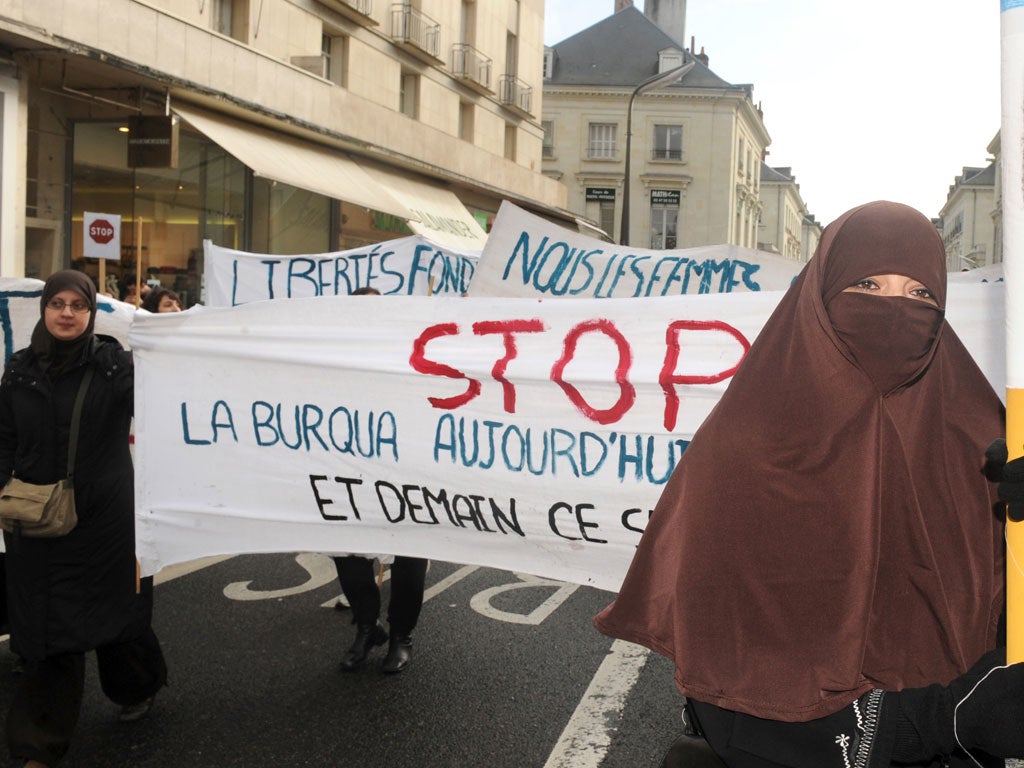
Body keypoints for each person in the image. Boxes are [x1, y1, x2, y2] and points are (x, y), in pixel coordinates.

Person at [594, 201, 1024, 767]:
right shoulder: (743, 450)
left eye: (920, 294)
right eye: (867, 284)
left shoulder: (982, 441)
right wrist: (943, 719)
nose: (894, 310)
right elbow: (736, 700)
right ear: (817, 295)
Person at [0, 270, 167, 768]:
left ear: (92, 313)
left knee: (118, 616)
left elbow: (162, 405)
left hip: (105, 522)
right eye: (58, 304)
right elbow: (4, 437)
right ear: (45, 309)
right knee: (49, 631)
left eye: (78, 305)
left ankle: (138, 685)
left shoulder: (114, 366)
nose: (67, 313)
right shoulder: (19, 369)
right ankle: (38, 747)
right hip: (37, 519)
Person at [332, 285, 429, 674]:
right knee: (347, 554)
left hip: (406, 472)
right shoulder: (331, 361)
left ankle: (401, 635)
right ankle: (367, 627)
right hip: (350, 473)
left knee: (409, 557)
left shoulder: (413, 357)